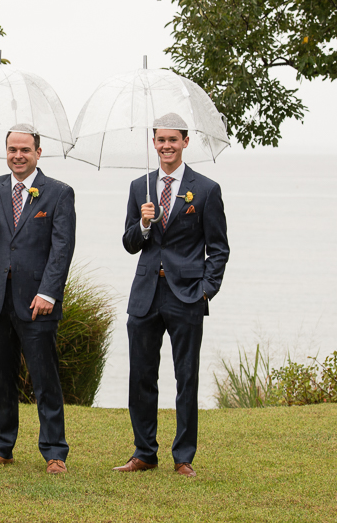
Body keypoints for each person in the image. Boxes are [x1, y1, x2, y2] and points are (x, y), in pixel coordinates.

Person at [113, 113, 229, 478]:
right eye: (160, 140)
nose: (166, 146)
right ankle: (144, 452)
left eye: (173, 140)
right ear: (154, 143)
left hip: (187, 295)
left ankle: (184, 457)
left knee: (186, 377)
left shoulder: (206, 189)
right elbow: (130, 243)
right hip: (145, 294)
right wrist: (144, 223)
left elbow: (219, 248)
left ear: (185, 142)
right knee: (141, 376)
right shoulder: (139, 187)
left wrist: (206, 292)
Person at [0, 123, 76, 475]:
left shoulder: (58, 193)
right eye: (12, 149)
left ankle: (55, 452)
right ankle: (2, 448)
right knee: (1, 378)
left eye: (25, 150)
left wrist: (48, 292)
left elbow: (62, 248)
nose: (18, 155)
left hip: (36, 301)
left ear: (38, 153)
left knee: (45, 378)